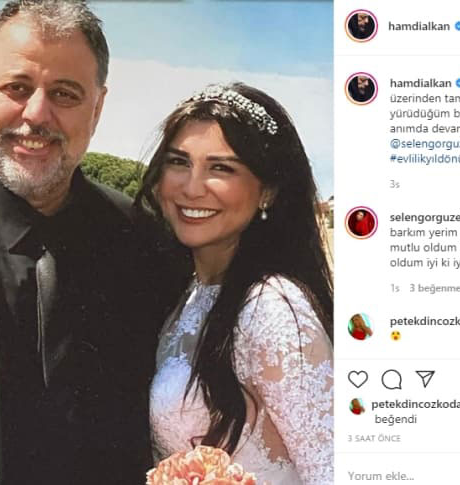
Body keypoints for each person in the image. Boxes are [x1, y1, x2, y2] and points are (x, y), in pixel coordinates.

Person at [0, 2, 173, 484]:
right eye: (16, 87)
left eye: (65, 93)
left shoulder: (147, 244)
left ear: (97, 109)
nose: (36, 114)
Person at [137, 83, 334, 485]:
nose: (192, 187)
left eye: (221, 168)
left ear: (268, 190)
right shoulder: (188, 294)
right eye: (179, 162)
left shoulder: (272, 307)